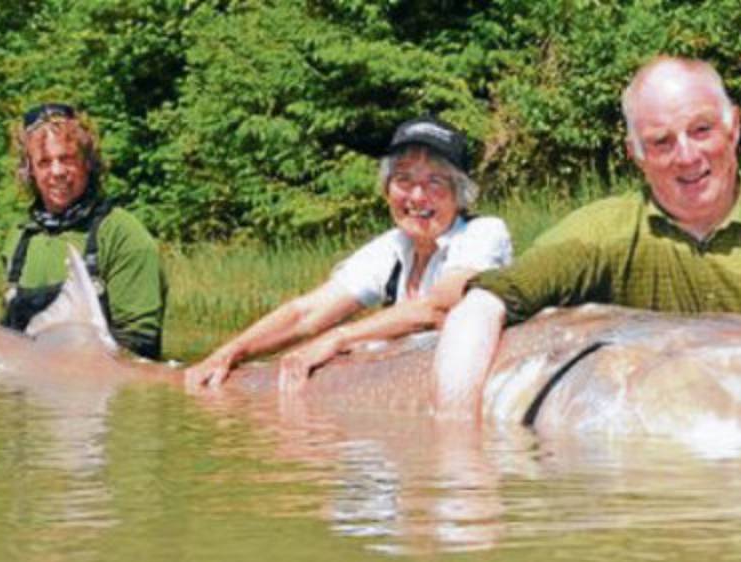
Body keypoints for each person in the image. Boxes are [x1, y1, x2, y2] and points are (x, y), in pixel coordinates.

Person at [433, 56, 741, 417]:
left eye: (702, 130)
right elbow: (483, 304)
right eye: (662, 142)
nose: (687, 156)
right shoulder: (602, 231)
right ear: (636, 154)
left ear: (734, 127)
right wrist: (456, 452)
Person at [187, 116, 513, 389]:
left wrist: (340, 338)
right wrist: (230, 353)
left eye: (435, 183)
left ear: (460, 194)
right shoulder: (393, 246)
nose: (417, 196)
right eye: (403, 179)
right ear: (386, 190)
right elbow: (306, 315)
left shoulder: (484, 233)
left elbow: (441, 308)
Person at [1, 103, 167, 359]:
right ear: (30, 171)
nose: (57, 172)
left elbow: (140, 345)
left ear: (88, 162)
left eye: (67, 159)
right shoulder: (20, 237)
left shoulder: (124, 234)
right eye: (44, 162)